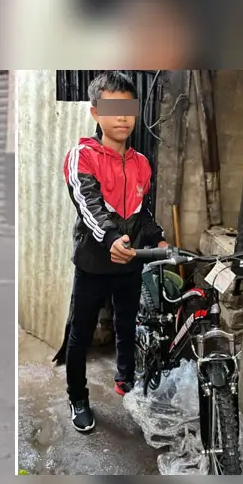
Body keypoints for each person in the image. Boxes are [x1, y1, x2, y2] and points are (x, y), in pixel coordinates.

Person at [58, 71, 168, 432]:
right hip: (93, 262)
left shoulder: (141, 163)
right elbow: (88, 204)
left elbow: (142, 211)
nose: (123, 116)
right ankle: (78, 397)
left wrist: (159, 239)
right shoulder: (82, 155)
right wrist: (110, 240)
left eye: (129, 108)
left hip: (130, 262)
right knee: (81, 334)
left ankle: (126, 381)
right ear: (95, 113)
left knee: (126, 325)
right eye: (113, 107)